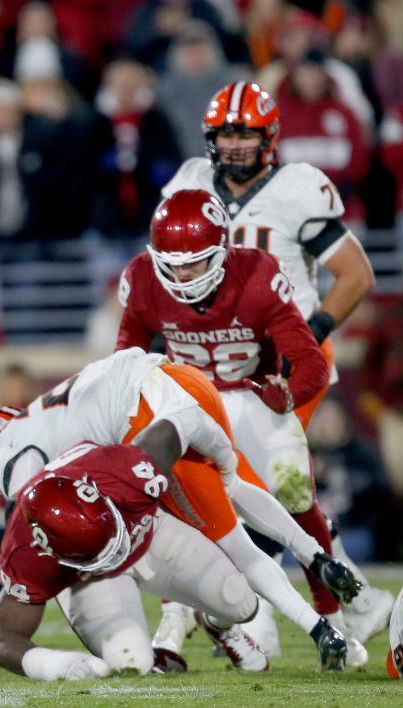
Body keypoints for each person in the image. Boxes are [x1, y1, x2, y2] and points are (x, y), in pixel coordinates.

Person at [160, 80, 389, 647]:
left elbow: (356, 275)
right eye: (227, 134)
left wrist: (307, 335)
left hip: (284, 358)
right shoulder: (189, 181)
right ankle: (327, 605)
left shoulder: (297, 188)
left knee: (277, 482)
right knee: (222, 483)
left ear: (270, 137)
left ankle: (317, 610)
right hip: (214, 358)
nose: (235, 145)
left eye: (246, 133)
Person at [0, 348, 357, 672]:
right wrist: (12, 643)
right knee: (130, 664)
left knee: (236, 592)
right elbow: (19, 530)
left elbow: (184, 422)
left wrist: (226, 462)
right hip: (95, 528)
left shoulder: (118, 463)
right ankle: (166, 630)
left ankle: (207, 623)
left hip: (146, 421)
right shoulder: (36, 509)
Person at [117, 189, 366, 665]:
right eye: (171, 262)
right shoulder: (145, 280)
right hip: (189, 405)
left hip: (252, 400)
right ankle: (178, 620)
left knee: (295, 497)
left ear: (222, 253)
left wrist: (288, 393)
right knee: (170, 509)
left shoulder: (256, 276)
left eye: (194, 262)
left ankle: (332, 618)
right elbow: (125, 362)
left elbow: (309, 361)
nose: (181, 274)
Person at [0, 439, 269, 679]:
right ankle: (151, 656)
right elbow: (0, 640)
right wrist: (56, 665)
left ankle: (219, 627)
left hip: (145, 530)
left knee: (240, 601)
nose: (116, 554)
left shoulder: (119, 469)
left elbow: (181, 429)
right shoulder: (27, 552)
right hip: (92, 579)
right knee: (132, 664)